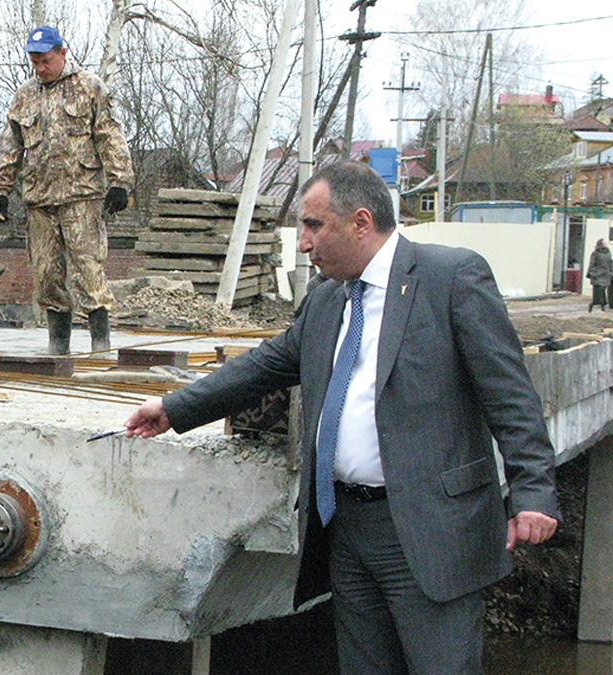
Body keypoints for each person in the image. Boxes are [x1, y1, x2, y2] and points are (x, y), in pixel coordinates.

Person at [124, 161, 559, 674]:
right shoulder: (327, 300)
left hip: (428, 529)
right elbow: (265, 364)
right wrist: (174, 408)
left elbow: (511, 397)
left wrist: (533, 492)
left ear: (359, 222)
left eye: (313, 226)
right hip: (346, 528)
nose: (303, 244)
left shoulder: (451, 278)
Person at [0, 25, 134, 355]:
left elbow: (110, 136)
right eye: (34, 62)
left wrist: (120, 181)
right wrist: (1, 189)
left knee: (88, 269)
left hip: (82, 195)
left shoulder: (90, 87)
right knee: (46, 274)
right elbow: (11, 145)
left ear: (62, 54)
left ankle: (100, 341)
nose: (40, 68)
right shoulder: (25, 95)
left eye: (45, 61)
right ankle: (58, 343)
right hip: (40, 198)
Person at [586, 238, 611, 312]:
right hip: (598, 274)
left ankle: (596, 304)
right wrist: (592, 273)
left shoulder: (608, 252)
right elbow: (592, 264)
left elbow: (610, 262)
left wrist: (611, 272)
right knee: (599, 291)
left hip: (606, 274)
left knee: (603, 289)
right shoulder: (595, 253)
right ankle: (602, 305)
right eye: (604, 242)